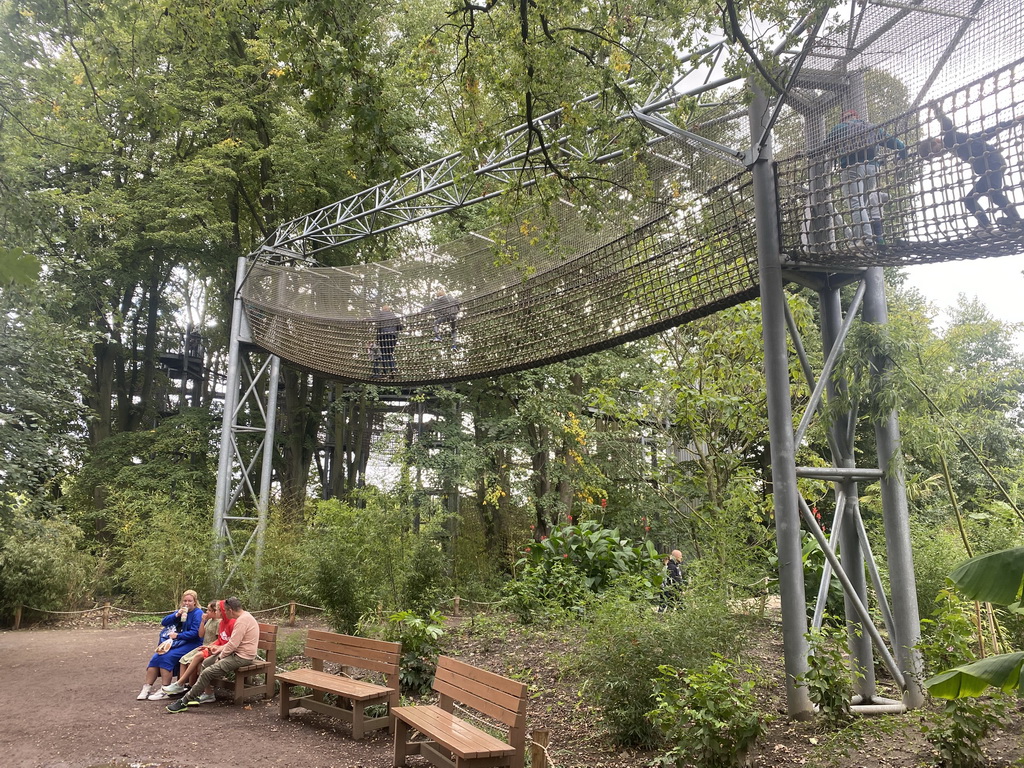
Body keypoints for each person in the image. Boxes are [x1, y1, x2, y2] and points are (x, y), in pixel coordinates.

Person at [919, 103, 1023, 228]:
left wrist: (936, 109)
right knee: (970, 200)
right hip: (991, 166)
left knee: (994, 194)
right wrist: (1012, 122)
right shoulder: (960, 142)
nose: (938, 155)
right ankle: (988, 224)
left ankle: (1015, 220)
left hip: (992, 163)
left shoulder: (950, 139)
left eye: (936, 152)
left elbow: (947, 124)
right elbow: (985, 134)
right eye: (935, 156)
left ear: (937, 141)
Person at [826, 109, 908, 245]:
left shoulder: (839, 128)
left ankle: (866, 239)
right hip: (872, 169)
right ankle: (865, 239)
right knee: (863, 204)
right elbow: (892, 141)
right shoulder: (871, 127)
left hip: (852, 168)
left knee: (856, 204)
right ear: (857, 117)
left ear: (844, 119)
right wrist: (903, 150)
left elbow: (824, 146)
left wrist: (809, 153)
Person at [166, 595, 260, 712]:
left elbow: (233, 645)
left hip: (243, 657)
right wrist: (219, 649)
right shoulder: (243, 617)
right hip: (235, 652)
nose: (223, 613)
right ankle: (208, 694)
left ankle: (184, 701)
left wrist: (220, 656)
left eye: (224, 611)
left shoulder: (242, 621)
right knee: (206, 662)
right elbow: (233, 642)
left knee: (207, 673)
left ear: (230, 610)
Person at [137, 590, 204, 701]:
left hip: (192, 643)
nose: (187, 603)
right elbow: (164, 622)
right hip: (178, 641)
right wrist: (176, 614)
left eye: (189, 601)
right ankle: (147, 687)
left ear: (195, 602)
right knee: (157, 656)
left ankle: (165, 689)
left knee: (167, 657)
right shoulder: (181, 611)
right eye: (185, 601)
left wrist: (177, 636)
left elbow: (195, 633)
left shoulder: (198, 613)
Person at [160, 600, 234, 696]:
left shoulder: (220, 623)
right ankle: (180, 686)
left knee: (194, 661)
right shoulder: (211, 621)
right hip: (207, 646)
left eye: (209, 610)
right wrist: (202, 621)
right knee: (183, 659)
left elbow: (223, 640)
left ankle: (191, 686)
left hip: (215, 649)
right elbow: (201, 634)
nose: (206, 612)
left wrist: (210, 646)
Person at [371, 304, 402, 378]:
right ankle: (393, 370)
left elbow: (375, 321)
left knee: (384, 354)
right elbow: (400, 327)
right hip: (393, 337)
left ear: (383, 309)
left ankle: (385, 372)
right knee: (389, 354)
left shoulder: (381, 314)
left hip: (383, 336)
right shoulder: (394, 317)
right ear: (389, 310)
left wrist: (366, 319)